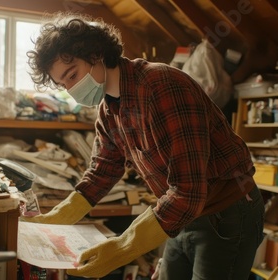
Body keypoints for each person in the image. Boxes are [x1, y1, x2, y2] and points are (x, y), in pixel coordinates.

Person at [24, 11, 265, 280]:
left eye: (72, 75)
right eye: (63, 84)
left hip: (226, 213)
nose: (71, 89)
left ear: (96, 54)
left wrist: (123, 248)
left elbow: (189, 191)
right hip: (181, 212)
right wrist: (58, 216)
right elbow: (103, 169)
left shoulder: (161, 86)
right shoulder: (109, 108)